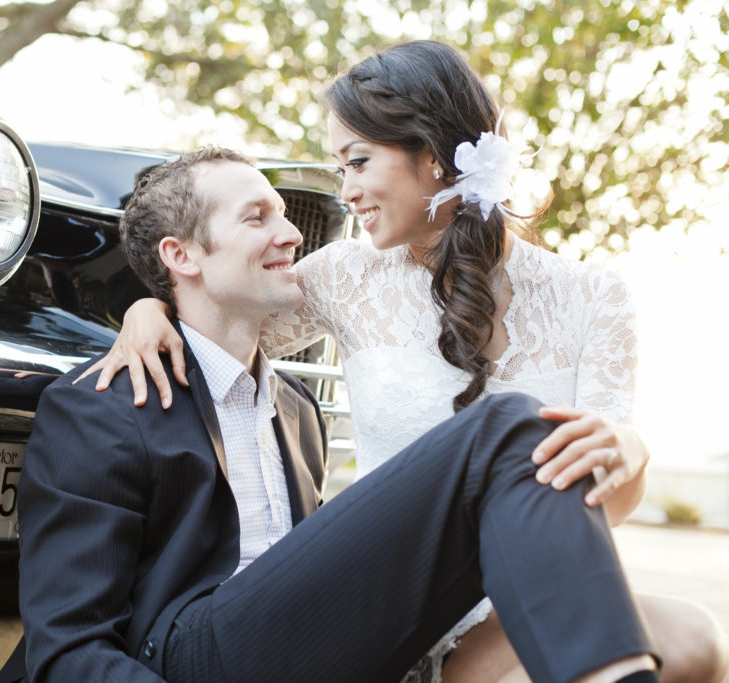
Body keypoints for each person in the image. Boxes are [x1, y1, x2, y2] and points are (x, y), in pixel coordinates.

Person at [84, 41, 728, 683]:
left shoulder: (595, 298)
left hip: (522, 590)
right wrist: (152, 309)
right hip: (391, 600)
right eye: (340, 169)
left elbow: (600, 501)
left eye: (358, 161)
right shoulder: (344, 278)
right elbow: (221, 317)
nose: (347, 192)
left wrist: (630, 453)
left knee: (697, 637)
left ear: (434, 152)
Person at [0, 146, 664, 683]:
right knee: (512, 425)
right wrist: (146, 308)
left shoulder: (296, 411)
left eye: (285, 214)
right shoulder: (101, 408)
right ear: (181, 255)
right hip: (180, 659)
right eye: (257, 218)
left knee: (687, 638)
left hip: (308, 650)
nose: (292, 232)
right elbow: (68, 650)